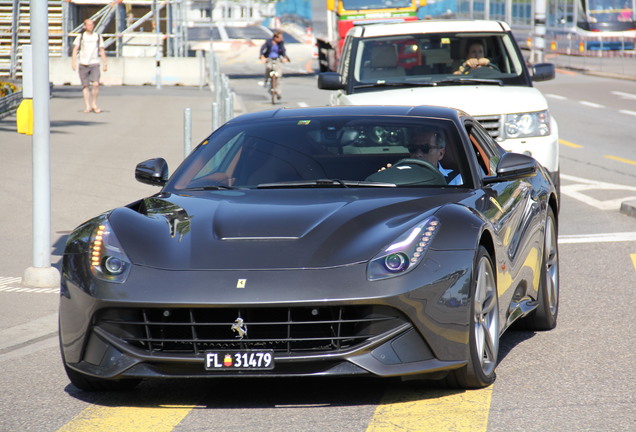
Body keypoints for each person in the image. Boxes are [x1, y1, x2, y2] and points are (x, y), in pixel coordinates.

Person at [367, 129, 462, 186]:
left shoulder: (457, 180)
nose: (418, 154)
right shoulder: (399, 175)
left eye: (425, 148)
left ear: (441, 153)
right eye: (413, 149)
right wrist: (384, 180)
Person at [72, 19, 107, 113]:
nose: (91, 26)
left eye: (92, 25)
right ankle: (87, 106)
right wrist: (74, 62)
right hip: (83, 63)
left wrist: (105, 63)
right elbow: (75, 49)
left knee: (96, 84)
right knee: (85, 86)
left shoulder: (98, 36)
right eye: (89, 25)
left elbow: (101, 50)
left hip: (94, 63)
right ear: (84, 26)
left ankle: (94, 103)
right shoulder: (81, 37)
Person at [259, 30, 290, 97]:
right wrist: (262, 56)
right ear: (275, 37)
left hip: (277, 59)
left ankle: (278, 92)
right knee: (268, 68)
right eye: (280, 38)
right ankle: (266, 81)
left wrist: (285, 57)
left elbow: (283, 51)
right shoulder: (269, 42)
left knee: (278, 75)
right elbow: (263, 49)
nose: (281, 39)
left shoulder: (280, 43)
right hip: (269, 58)